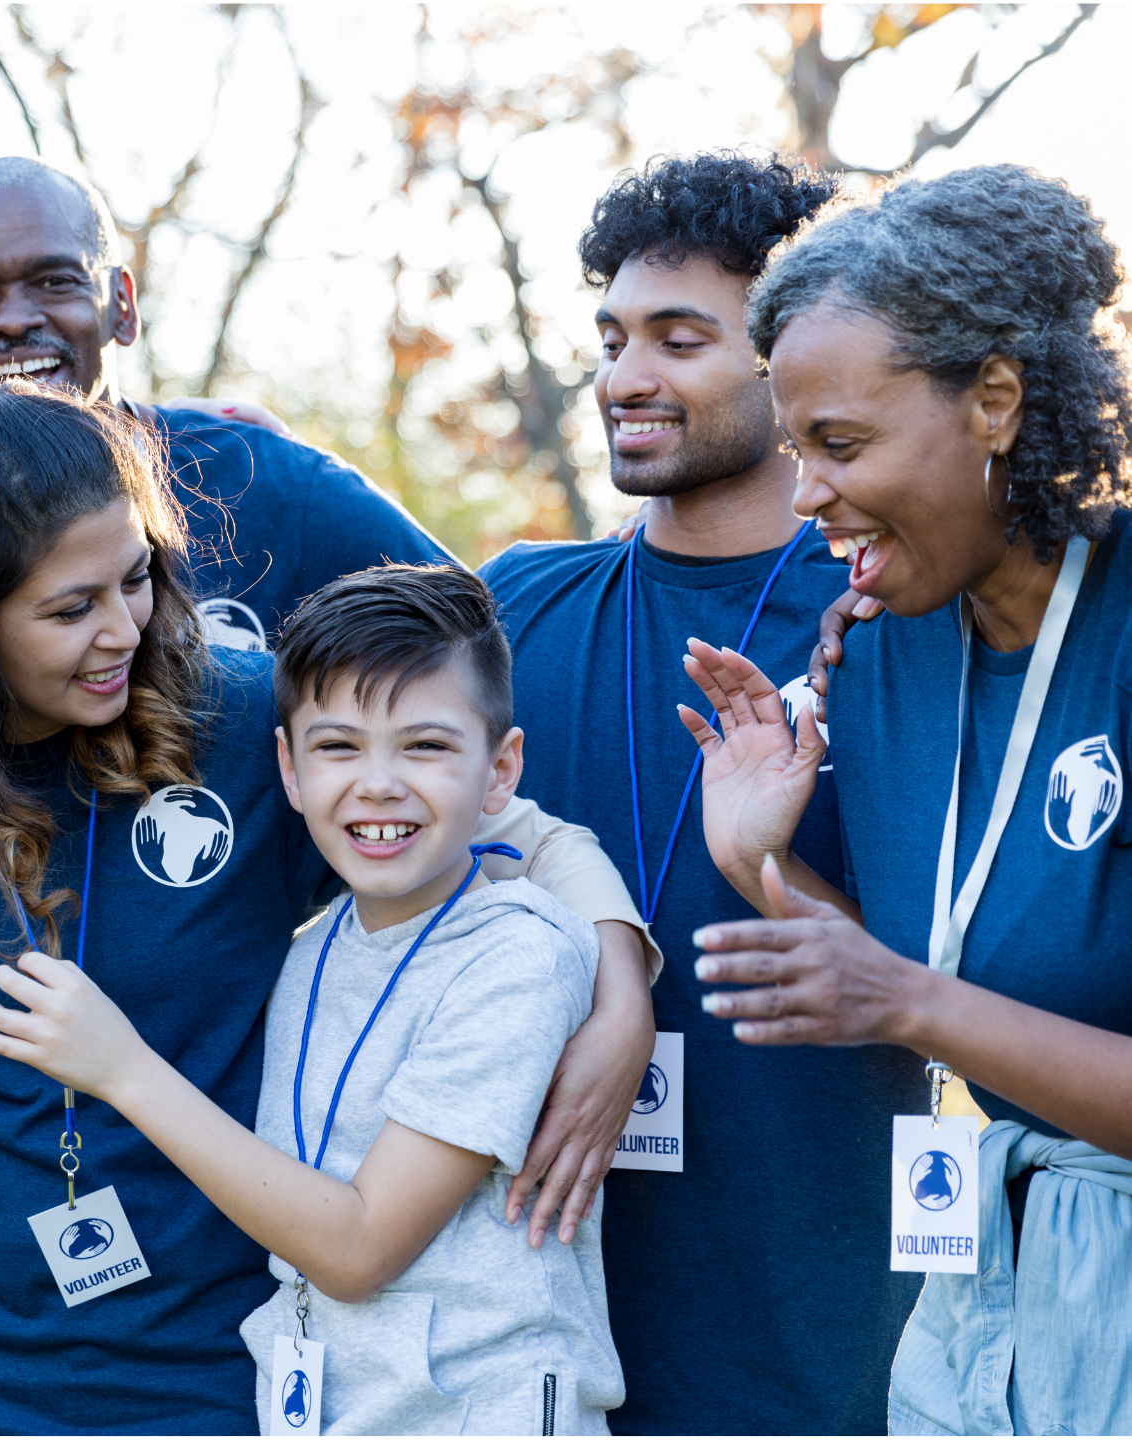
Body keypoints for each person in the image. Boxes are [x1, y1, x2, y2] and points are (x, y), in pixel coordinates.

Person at [0, 382, 656, 1433]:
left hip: (217, 1358)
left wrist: (620, 989)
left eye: (135, 578)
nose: (122, 627)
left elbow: (522, 833)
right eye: (70, 609)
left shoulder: (247, 717)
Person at [475, 152, 925, 1434]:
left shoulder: (892, 616)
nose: (623, 378)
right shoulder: (511, 607)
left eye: (679, 338)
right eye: (611, 338)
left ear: (793, 357)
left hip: (826, 1337)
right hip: (532, 1336)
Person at [681, 165, 1132, 1436]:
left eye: (840, 445)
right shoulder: (881, 648)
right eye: (793, 451)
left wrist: (911, 1001)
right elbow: (919, 983)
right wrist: (755, 860)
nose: (805, 492)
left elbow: (925, 1000)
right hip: (982, 1299)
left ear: (992, 399)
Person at [0, 563, 625, 1434]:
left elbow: (358, 1251)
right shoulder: (310, 948)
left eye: (425, 746)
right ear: (287, 766)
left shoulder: (520, 955)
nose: (379, 782)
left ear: (500, 769)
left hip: (479, 1409)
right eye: (339, 746)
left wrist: (123, 1070)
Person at [0, 156, 452, 649]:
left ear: (122, 304)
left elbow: (478, 624)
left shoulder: (267, 481)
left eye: (55, 281)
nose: (13, 319)